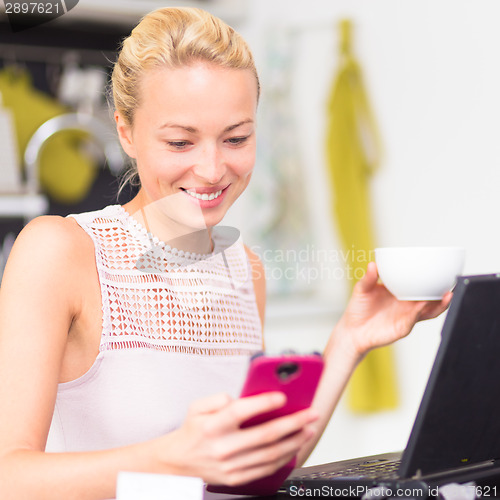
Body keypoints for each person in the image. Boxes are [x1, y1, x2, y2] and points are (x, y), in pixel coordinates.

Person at [0, 7, 450, 500]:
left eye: (236, 138)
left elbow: (253, 469)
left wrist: (349, 340)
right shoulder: (61, 251)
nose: (213, 169)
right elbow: (9, 476)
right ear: (126, 132)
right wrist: (170, 458)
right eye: (180, 141)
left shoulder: (244, 270)